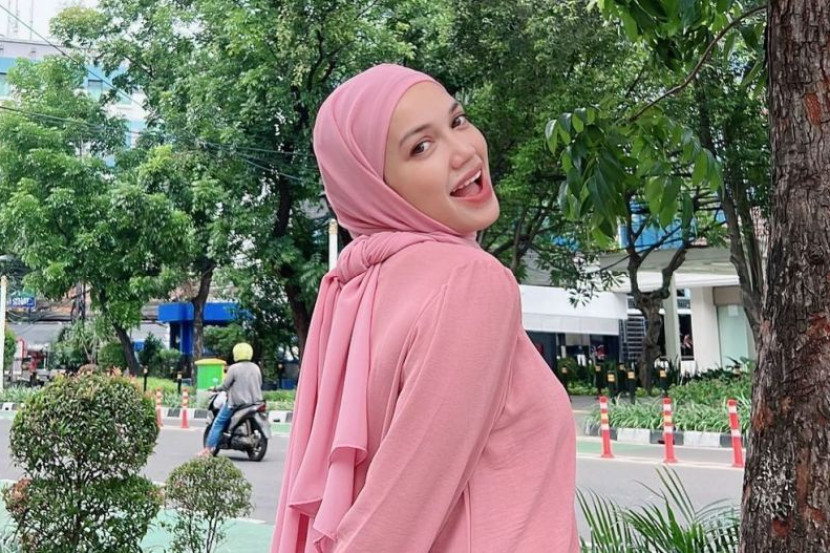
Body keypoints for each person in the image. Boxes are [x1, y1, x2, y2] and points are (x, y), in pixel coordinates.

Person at [272, 64, 577, 553]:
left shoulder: (357, 287)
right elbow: (394, 519)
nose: (465, 151)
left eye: (457, 121)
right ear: (374, 185)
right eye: (421, 147)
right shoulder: (470, 281)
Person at [198, 342, 263, 457]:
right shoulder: (255, 367)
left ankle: (207, 449)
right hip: (255, 402)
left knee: (218, 422)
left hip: (236, 404)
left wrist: (214, 388)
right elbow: (260, 383)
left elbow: (225, 386)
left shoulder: (234, 368)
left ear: (236, 354)